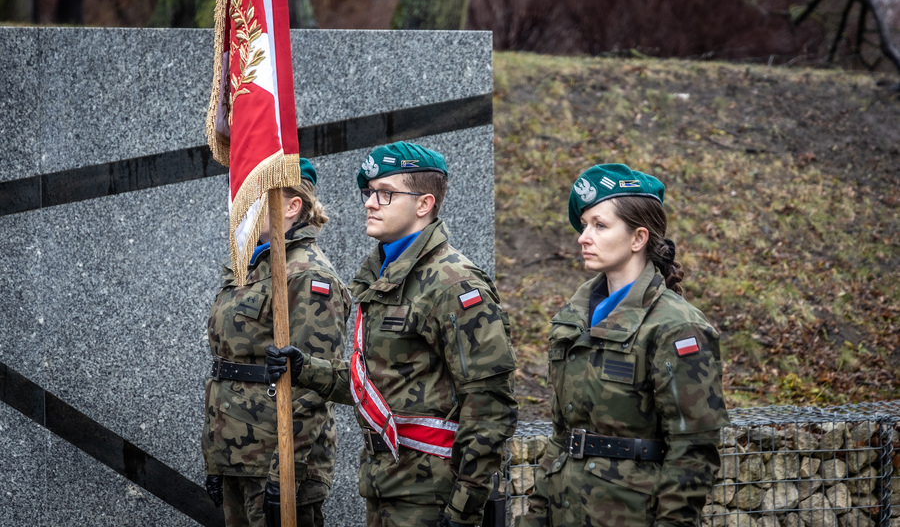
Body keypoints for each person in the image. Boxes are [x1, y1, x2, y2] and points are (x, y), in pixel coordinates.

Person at [266, 142, 519, 527]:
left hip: (435, 496)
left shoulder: (454, 283)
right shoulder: (385, 276)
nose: (369, 202)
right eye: (368, 192)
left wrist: (465, 509)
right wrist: (306, 370)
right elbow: (378, 388)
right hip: (386, 485)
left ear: (424, 204)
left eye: (385, 193)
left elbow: (490, 409)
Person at [517, 163, 729, 527]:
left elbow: (693, 452)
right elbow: (563, 436)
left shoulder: (676, 327)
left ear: (638, 238)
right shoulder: (574, 320)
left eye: (599, 225)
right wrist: (536, 516)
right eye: (584, 225)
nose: (584, 236)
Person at [202, 158, 351, 527]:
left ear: (292, 205)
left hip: (278, 459)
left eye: (256, 195)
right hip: (237, 454)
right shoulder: (250, 267)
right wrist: (217, 458)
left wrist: (284, 472)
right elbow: (229, 364)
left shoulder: (308, 273)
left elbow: (314, 384)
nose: (243, 204)